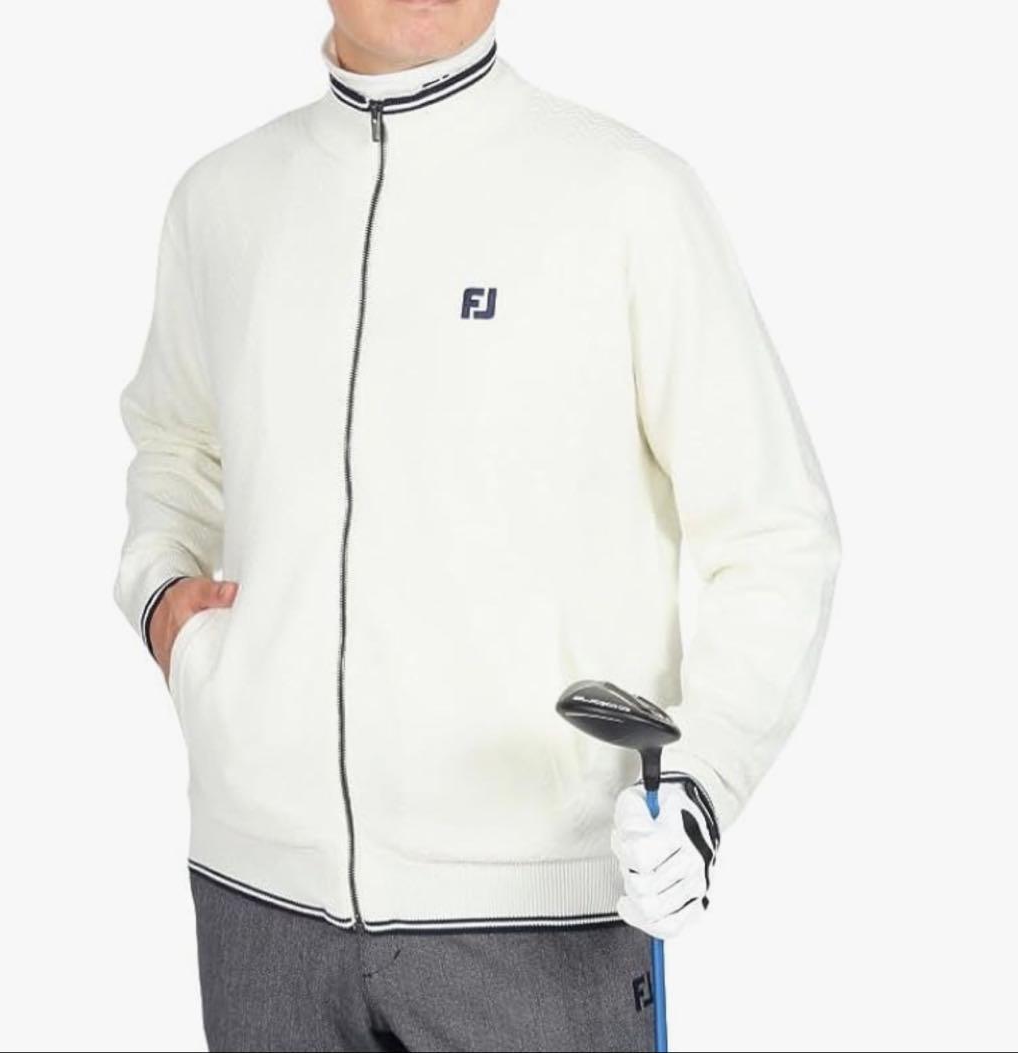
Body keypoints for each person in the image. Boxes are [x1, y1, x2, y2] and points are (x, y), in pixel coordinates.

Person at [112, 1, 842, 1049]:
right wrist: (161, 598)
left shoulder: (626, 195)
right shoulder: (221, 201)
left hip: (539, 915)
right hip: (258, 902)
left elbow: (775, 533)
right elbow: (176, 444)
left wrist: (702, 778)